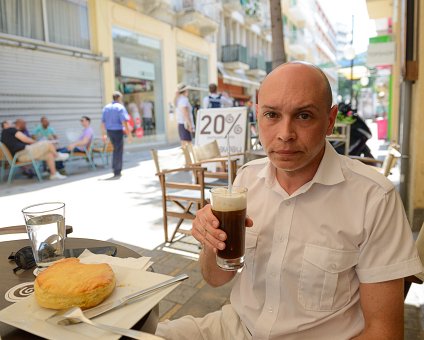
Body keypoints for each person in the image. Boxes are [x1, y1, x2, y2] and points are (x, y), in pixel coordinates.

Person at [156, 62, 423, 339]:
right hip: (234, 328)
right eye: (272, 114)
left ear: (330, 120)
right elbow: (215, 279)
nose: (285, 133)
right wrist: (210, 243)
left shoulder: (373, 198)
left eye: (304, 116)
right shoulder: (247, 180)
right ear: (258, 116)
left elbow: (384, 333)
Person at [1, 121, 68, 180]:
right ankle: (57, 155)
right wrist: (37, 143)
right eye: (10, 122)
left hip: (20, 157)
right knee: (48, 143)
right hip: (24, 152)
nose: (12, 123)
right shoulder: (10, 130)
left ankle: (53, 174)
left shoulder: (3, 136)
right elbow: (25, 139)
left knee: (49, 155)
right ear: (6, 124)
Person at [101, 91, 132, 179]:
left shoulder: (106, 107)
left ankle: (115, 169)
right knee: (118, 150)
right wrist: (129, 134)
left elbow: (102, 122)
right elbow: (124, 122)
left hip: (110, 131)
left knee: (115, 150)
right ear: (119, 98)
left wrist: (103, 134)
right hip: (118, 131)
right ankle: (117, 170)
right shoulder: (120, 107)